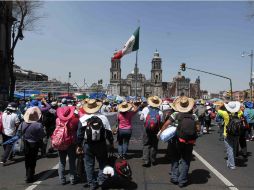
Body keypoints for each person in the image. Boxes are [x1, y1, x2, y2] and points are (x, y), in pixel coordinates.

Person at [159, 96, 199, 188]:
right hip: (189, 141)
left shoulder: (175, 114)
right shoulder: (194, 116)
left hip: (176, 140)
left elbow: (166, 124)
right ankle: (183, 180)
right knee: (186, 160)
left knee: (175, 158)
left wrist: (161, 133)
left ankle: (174, 177)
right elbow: (198, 128)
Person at [77, 99, 114, 190]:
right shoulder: (103, 118)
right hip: (101, 143)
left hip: (88, 144)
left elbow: (79, 134)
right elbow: (108, 132)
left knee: (89, 164)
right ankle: (101, 180)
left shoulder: (83, 119)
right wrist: (111, 142)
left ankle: (92, 183)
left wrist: (78, 145)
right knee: (102, 162)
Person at [18, 106, 45, 183]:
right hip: (35, 144)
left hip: (26, 143)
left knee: (27, 159)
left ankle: (27, 174)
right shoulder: (38, 125)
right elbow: (42, 135)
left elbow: (19, 132)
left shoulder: (23, 123)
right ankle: (30, 175)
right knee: (33, 160)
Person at [55, 106, 79, 185]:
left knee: (62, 161)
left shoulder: (57, 120)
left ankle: (62, 179)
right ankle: (72, 178)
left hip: (61, 142)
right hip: (71, 142)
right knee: (72, 161)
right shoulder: (74, 120)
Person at [140, 96, 163, 167]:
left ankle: (146, 160)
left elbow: (141, 118)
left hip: (146, 129)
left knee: (146, 144)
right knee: (154, 144)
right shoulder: (160, 111)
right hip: (155, 130)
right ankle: (153, 160)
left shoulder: (145, 109)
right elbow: (161, 121)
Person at [217, 101, 241, 169]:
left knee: (229, 149)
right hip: (236, 133)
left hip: (227, 133)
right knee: (234, 148)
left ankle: (232, 164)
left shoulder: (225, 113)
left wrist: (222, 105)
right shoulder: (238, 113)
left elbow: (217, 110)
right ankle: (232, 161)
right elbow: (241, 110)